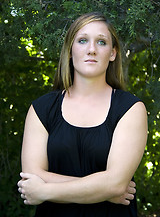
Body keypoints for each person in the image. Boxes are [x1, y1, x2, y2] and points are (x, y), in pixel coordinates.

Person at [17, 12, 148, 217]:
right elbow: (31, 176)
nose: (92, 49)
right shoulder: (42, 109)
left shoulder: (130, 108)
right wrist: (103, 190)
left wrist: (45, 190)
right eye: (83, 40)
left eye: (101, 42)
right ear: (70, 50)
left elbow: (115, 184)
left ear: (112, 53)